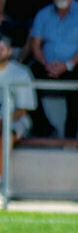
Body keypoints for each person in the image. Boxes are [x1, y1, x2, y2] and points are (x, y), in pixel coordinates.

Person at [27, 0, 78, 138]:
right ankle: (43, 127)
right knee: (25, 77)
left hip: (76, 66)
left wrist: (67, 65)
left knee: (77, 83)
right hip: (48, 65)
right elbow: (36, 45)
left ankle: (70, 136)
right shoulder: (43, 14)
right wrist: (45, 64)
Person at [0, 30, 36, 174]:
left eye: (1, 49)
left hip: (15, 120)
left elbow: (22, 110)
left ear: (9, 51)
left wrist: (2, 122)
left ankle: (1, 181)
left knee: (3, 138)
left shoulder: (21, 73)